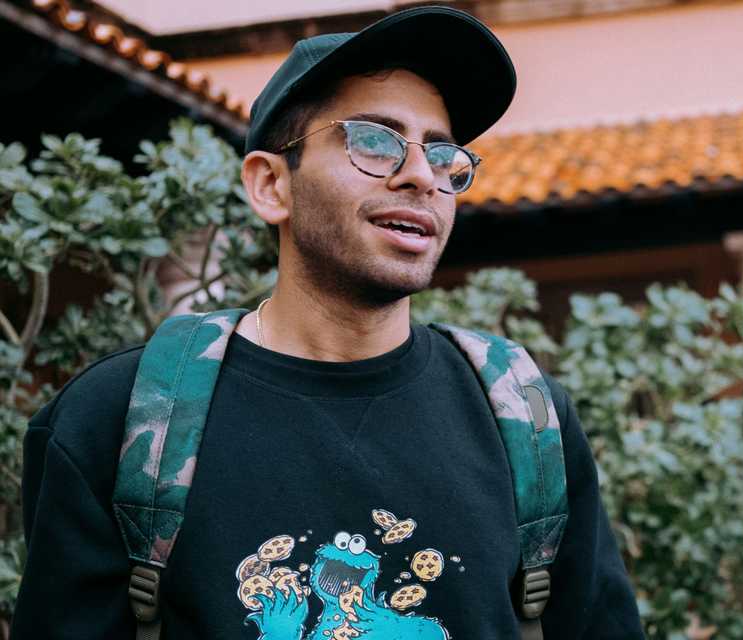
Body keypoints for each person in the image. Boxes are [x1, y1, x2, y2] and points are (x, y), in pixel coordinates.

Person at [14, 7, 643, 639]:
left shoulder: (527, 418)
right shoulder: (121, 421)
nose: (422, 175)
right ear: (270, 185)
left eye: (445, 153)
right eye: (374, 139)